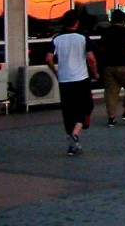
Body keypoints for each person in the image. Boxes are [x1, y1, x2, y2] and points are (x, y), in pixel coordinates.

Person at [45, 9, 99, 156]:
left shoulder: (56, 39)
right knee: (86, 105)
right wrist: (94, 72)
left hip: (64, 79)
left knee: (68, 111)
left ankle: (72, 144)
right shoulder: (82, 38)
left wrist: (55, 72)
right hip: (80, 78)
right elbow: (91, 58)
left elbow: (48, 59)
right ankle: (76, 133)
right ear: (77, 22)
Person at [100, 9, 125, 126]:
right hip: (123, 65)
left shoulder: (105, 32)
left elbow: (102, 49)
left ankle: (111, 118)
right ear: (123, 20)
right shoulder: (124, 31)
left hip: (108, 66)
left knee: (111, 92)